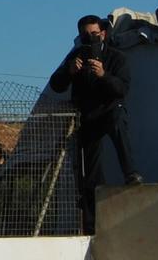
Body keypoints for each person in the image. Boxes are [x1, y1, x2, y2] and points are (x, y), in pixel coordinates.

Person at [48, 16, 141, 232]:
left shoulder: (116, 57)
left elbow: (122, 89)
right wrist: (69, 71)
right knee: (89, 173)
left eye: (94, 34)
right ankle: (92, 222)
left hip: (109, 111)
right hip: (87, 117)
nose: (90, 39)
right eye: (85, 35)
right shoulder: (75, 57)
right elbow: (56, 84)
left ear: (103, 34)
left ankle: (131, 173)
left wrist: (103, 75)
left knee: (118, 123)